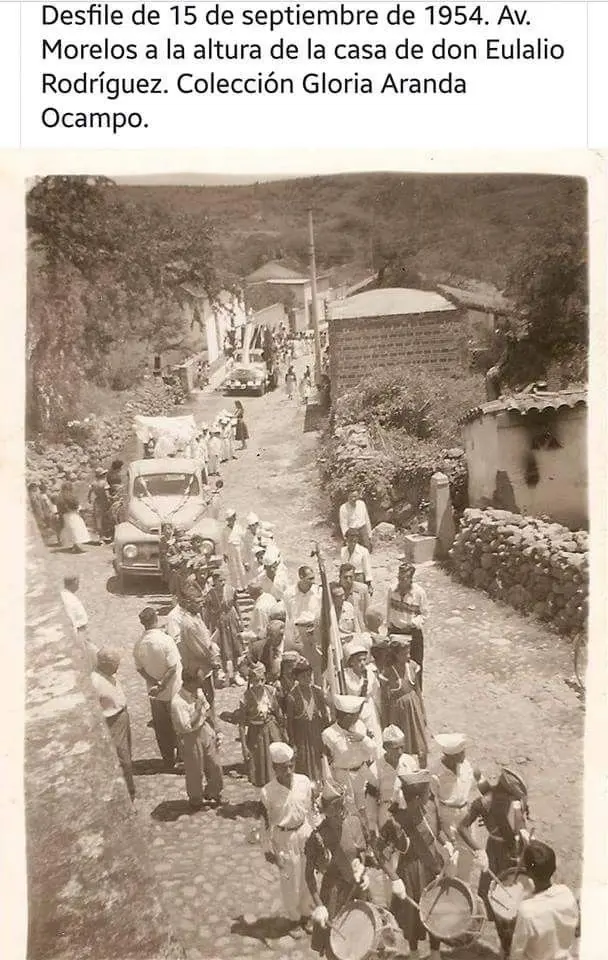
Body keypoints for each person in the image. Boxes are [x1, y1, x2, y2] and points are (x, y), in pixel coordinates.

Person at [379, 768, 456, 960]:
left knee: (435, 909)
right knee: (412, 915)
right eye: (427, 792)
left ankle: (435, 952)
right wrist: (394, 879)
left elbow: (437, 830)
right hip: (410, 873)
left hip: (434, 867)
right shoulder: (396, 821)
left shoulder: (430, 805)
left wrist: (446, 843)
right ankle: (413, 952)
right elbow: (380, 853)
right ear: (415, 798)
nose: (430, 795)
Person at [458, 767, 532, 959]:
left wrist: (523, 831)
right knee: (498, 901)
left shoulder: (514, 802)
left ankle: (517, 943)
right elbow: (462, 827)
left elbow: (519, 820)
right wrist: (479, 850)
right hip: (495, 854)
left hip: (516, 851)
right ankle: (505, 946)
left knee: (521, 898)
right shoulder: (483, 803)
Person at [305, 781, 371, 956]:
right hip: (334, 895)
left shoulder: (354, 822)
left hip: (357, 889)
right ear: (325, 810)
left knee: (362, 938)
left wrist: (362, 870)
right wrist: (319, 905)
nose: (339, 811)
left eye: (340, 806)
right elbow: (308, 875)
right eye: (333, 808)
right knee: (336, 945)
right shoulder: (318, 837)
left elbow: (361, 852)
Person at [260, 742, 315, 934]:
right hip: (284, 838)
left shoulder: (304, 782)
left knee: (308, 876)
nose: (289, 771)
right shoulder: (267, 792)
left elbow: (311, 809)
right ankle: (294, 919)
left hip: (304, 833)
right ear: (274, 768)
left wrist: (315, 833)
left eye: (291, 765)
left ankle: (308, 914)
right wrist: (267, 848)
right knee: (289, 881)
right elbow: (265, 823)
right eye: (284, 768)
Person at [430, 733, 485, 884]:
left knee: (467, 859)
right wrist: (439, 827)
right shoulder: (435, 773)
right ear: (450, 756)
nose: (464, 755)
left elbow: (481, 784)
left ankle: (464, 887)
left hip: (465, 815)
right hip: (447, 817)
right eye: (461, 753)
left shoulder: (466, 766)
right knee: (450, 859)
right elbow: (431, 803)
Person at [510, 841, 579, 960]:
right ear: (554, 868)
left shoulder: (527, 911)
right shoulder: (566, 893)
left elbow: (517, 952)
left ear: (528, 873)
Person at [133, 607, 182, 769]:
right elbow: (173, 667)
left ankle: (168, 759)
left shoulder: (139, 644)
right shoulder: (166, 640)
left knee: (161, 728)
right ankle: (181, 756)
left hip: (155, 693)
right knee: (178, 724)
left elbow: (140, 669)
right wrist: (162, 684)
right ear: (156, 619)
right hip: (173, 690)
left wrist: (154, 683)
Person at [170, 669, 223, 809]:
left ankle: (214, 792)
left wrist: (216, 728)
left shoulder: (198, 692)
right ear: (190, 682)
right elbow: (187, 726)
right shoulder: (177, 702)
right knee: (195, 771)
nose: (202, 682)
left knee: (214, 764)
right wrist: (198, 709)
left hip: (204, 729)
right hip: (190, 737)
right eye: (199, 680)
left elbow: (208, 710)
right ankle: (196, 800)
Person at [91, 647, 136, 800]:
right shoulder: (95, 682)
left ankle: (129, 787)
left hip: (122, 715)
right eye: (115, 664)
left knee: (127, 753)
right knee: (123, 760)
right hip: (112, 721)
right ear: (105, 664)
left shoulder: (108, 674)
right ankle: (128, 794)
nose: (118, 667)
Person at [322, 694, 377, 818]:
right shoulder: (328, 734)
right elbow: (327, 762)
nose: (358, 718)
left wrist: (363, 739)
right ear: (347, 717)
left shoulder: (360, 727)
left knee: (364, 809)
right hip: (343, 777)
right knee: (348, 811)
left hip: (361, 774)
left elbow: (373, 750)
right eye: (355, 715)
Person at [380, 635, 428, 767]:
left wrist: (423, 712)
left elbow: (418, 690)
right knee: (401, 745)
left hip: (414, 708)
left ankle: (423, 769)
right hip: (398, 712)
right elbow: (384, 699)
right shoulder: (388, 671)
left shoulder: (412, 666)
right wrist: (386, 721)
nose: (408, 656)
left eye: (409, 652)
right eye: (404, 654)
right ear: (395, 655)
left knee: (421, 745)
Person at [237, 662, 285, 788]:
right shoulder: (245, 697)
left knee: (276, 761)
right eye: (255, 680)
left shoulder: (270, 692)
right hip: (256, 735)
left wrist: (283, 732)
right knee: (260, 767)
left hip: (271, 731)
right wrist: (244, 747)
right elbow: (241, 724)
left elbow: (278, 712)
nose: (259, 684)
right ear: (251, 680)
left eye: (261, 680)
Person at [285, 657, 330, 784]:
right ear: (297, 678)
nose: (307, 678)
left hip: (316, 733)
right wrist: (292, 742)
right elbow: (290, 723)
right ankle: (306, 786)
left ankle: (321, 785)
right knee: (304, 761)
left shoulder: (317, 692)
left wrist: (326, 735)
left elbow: (324, 714)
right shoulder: (292, 697)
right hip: (302, 736)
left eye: (309, 675)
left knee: (319, 760)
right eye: (303, 676)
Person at [386, 560, 428, 687]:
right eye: (399, 577)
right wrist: (389, 627)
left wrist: (413, 623)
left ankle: (417, 691)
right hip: (395, 632)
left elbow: (424, 614)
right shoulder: (392, 590)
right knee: (393, 663)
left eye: (404, 578)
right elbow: (388, 609)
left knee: (415, 664)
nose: (401, 581)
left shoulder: (419, 593)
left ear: (410, 579)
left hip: (412, 633)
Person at [203, 567, 245, 686]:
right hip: (219, 623)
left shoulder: (231, 590)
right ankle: (225, 675)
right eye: (220, 581)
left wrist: (240, 620)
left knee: (235, 646)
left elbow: (236, 605)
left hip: (231, 621)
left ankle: (236, 673)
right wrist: (207, 628)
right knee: (222, 649)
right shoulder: (210, 594)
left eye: (223, 580)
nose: (222, 583)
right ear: (214, 581)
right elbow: (207, 613)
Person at [342, 640, 383, 757]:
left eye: (364, 660)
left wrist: (381, 713)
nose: (362, 663)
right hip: (353, 713)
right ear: (351, 662)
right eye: (359, 660)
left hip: (369, 711)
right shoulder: (344, 677)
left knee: (374, 741)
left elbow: (376, 694)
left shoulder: (370, 674)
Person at [60, 575, 99, 670]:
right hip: (78, 635)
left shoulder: (65, 595)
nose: (79, 585)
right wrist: (79, 643)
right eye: (78, 582)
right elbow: (73, 623)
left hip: (80, 633)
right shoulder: (70, 600)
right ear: (75, 582)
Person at [283, 566, 322, 649]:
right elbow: (287, 614)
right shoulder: (288, 594)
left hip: (313, 630)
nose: (313, 582)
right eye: (310, 579)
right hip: (297, 632)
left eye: (313, 578)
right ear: (301, 577)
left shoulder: (318, 592)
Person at [220, 509, 248, 591]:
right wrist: (224, 553)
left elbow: (244, 538)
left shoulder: (238, 528)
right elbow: (224, 543)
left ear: (234, 519)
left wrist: (245, 551)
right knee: (232, 568)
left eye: (232, 519)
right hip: (230, 550)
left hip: (238, 549)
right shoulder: (225, 530)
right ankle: (236, 587)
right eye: (229, 520)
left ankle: (244, 586)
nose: (231, 521)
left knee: (240, 567)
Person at [340, 528, 373, 594]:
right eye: (351, 539)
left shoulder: (363, 551)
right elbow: (342, 566)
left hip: (358, 578)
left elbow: (367, 568)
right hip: (347, 578)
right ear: (346, 539)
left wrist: (369, 584)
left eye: (355, 540)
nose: (353, 542)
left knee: (358, 596)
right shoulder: (343, 550)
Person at [339, 563, 369, 632]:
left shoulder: (362, 589)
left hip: (358, 628)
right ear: (340, 577)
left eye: (351, 577)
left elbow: (367, 611)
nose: (348, 580)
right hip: (341, 629)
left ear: (354, 577)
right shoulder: (335, 590)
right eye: (345, 577)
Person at [88, 467, 111, 541]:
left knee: (98, 518)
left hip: (97, 501)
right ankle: (106, 534)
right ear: (102, 475)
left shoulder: (94, 483)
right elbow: (107, 494)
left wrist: (89, 499)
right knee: (106, 517)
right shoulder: (104, 483)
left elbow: (90, 492)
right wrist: (111, 498)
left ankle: (101, 535)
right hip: (104, 501)